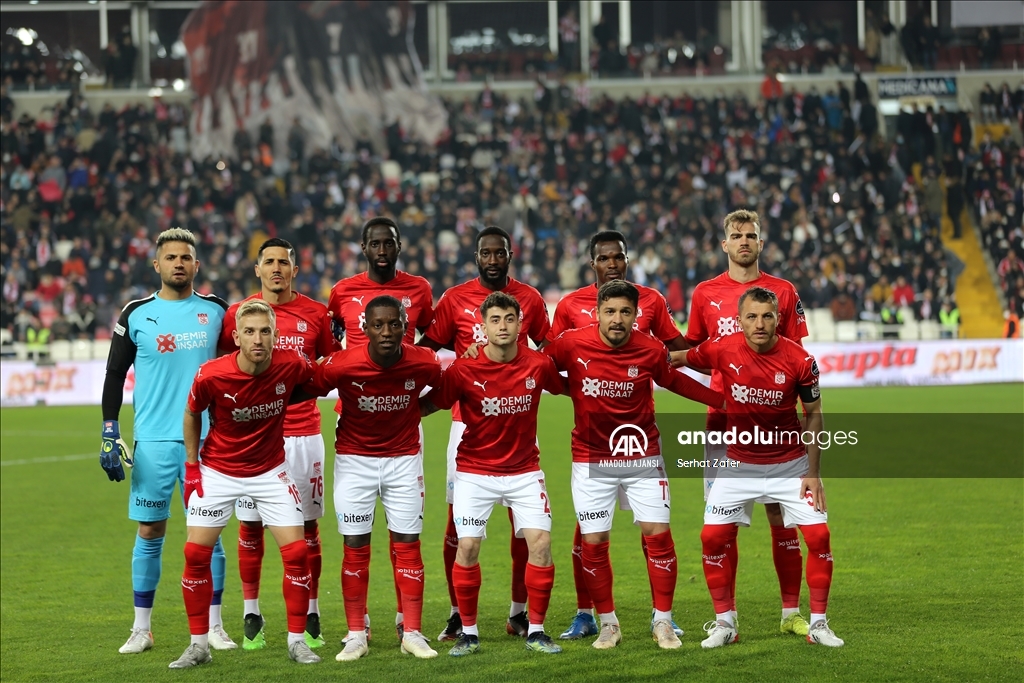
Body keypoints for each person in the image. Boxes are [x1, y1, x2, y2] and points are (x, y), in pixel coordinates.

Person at [544, 280, 726, 650]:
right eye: (610, 311)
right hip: (591, 458)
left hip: (643, 456)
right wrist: (571, 387)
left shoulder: (650, 348)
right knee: (594, 542)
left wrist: (723, 401)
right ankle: (609, 624)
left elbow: (674, 381)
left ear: (635, 315)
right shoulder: (571, 343)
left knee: (658, 535)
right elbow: (539, 369)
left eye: (625, 312)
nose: (617, 319)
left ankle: (663, 622)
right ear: (597, 313)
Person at [673, 286, 843, 649]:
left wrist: (813, 474)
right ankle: (725, 623)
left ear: (778, 319)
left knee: (819, 538)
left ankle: (819, 624)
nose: (760, 324)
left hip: (791, 465)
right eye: (751, 316)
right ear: (739, 320)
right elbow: (680, 357)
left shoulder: (801, 360)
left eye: (767, 316)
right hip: (738, 466)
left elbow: (814, 414)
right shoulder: (722, 348)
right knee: (711, 538)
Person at [676, 209, 812, 638]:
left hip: (778, 427)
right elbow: (695, 352)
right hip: (724, 422)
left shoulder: (783, 291)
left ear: (760, 242)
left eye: (750, 235)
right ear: (725, 244)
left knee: (782, 518)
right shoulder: (705, 293)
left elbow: (796, 356)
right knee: (723, 523)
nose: (744, 241)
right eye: (736, 236)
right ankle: (726, 620)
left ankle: (790, 612)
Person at [100, 227, 235, 654]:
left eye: (185, 257)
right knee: (150, 529)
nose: (179, 263)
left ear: (197, 264)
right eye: (171, 257)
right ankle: (142, 628)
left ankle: (214, 626)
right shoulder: (136, 313)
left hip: (209, 442)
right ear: (156, 264)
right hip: (154, 442)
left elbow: (240, 363)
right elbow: (114, 374)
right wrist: (109, 429)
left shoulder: (217, 311)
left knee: (208, 533)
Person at [548, 230, 686, 641]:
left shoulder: (651, 301)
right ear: (592, 263)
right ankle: (587, 613)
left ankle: (662, 615)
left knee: (654, 528)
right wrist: (579, 387)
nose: (612, 264)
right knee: (588, 534)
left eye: (619, 257)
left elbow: (676, 351)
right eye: (604, 258)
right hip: (592, 442)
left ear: (627, 260)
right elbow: (548, 361)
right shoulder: (569, 306)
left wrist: (729, 362)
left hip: (639, 437)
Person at [171, 300, 321, 668]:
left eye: (265, 331)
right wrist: (192, 466)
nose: (258, 339)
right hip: (218, 472)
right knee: (195, 556)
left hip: (270, 471)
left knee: (297, 554)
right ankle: (198, 645)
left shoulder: (292, 364)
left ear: (276, 335)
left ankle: (297, 642)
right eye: (249, 332)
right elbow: (191, 413)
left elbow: (317, 380)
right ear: (236, 337)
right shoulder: (211, 375)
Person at [419, 226, 551, 641]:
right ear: (476, 256)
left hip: (517, 420)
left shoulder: (530, 298)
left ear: (511, 254)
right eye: (485, 253)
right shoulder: (454, 298)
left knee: (523, 525)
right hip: (466, 424)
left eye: (499, 252)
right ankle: (458, 615)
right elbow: (426, 350)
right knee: (457, 529)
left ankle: (519, 612)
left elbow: (548, 349)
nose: (493, 259)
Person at [305, 296, 442, 661]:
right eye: (378, 325)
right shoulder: (342, 364)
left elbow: (447, 389)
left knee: (408, 544)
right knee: (355, 546)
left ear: (405, 327)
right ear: (364, 328)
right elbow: (305, 387)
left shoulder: (424, 361)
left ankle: (412, 632)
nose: (386, 332)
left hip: (404, 461)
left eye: (394, 324)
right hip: (355, 462)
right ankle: (355, 635)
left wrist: (416, 410)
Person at [218, 238, 336, 651]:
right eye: (268, 262)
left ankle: (312, 612)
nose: (276, 269)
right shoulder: (238, 313)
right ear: (258, 269)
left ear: (294, 270)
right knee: (250, 525)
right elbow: (226, 369)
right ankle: (251, 612)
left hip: (303, 436)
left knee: (307, 528)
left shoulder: (316, 314)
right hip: (253, 438)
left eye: (283, 262)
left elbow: (328, 369)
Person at [327, 216, 434, 638]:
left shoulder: (420, 289)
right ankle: (360, 624)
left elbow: (433, 339)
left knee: (403, 527)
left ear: (399, 245)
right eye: (375, 244)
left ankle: (406, 619)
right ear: (364, 247)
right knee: (356, 536)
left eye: (389, 243)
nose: (382, 250)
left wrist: (407, 382)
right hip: (355, 418)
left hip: (401, 416)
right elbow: (330, 344)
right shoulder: (342, 291)